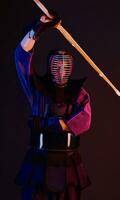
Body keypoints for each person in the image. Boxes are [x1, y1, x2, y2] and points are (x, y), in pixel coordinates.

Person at [14, 12, 92, 200]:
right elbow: (21, 56)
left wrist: (61, 125)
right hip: (39, 159)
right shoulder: (37, 88)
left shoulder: (79, 93)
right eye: (56, 65)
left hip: (67, 160)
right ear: (49, 66)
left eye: (65, 65)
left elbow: (86, 118)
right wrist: (38, 28)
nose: (60, 69)